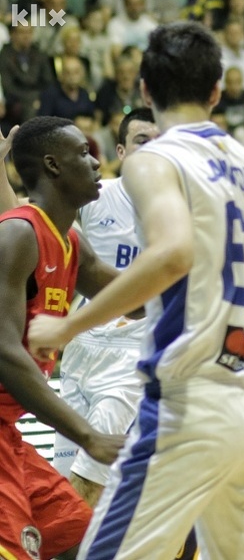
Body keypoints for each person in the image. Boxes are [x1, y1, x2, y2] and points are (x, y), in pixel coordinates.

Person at [27, 22, 244, 559]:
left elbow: (172, 253)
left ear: (145, 90)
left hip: (187, 408)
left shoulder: (154, 160)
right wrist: (232, 325)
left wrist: (69, 325)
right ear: (216, 92)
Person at [0, 116, 125, 560]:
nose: (96, 163)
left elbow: (136, 297)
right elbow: (6, 354)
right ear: (53, 166)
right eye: (84, 153)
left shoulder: (71, 241)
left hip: (6, 433)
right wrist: (87, 435)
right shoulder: (17, 234)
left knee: (77, 538)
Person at [52, 108, 158, 508]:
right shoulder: (97, 195)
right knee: (66, 493)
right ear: (121, 150)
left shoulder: (186, 210)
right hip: (82, 345)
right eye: (142, 142)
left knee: (86, 486)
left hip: (136, 352)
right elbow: (30, 216)